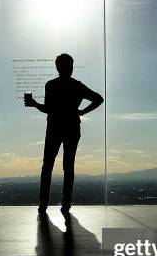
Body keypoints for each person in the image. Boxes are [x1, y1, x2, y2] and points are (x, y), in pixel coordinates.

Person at [25, 53, 104, 214]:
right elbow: (98, 99)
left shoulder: (51, 85)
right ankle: (66, 202)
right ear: (70, 67)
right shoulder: (77, 86)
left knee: (47, 165)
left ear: (57, 67)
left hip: (54, 128)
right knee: (68, 166)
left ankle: (43, 202)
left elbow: (48, 109)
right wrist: (81, 112)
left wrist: (34, 104)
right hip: (72, 128)